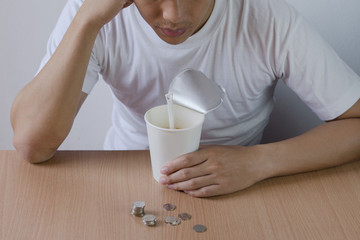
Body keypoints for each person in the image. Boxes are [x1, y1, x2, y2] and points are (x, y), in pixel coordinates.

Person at [11, 0, 360, 197]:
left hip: (235, 187)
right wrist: (88, 20)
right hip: (125, 180)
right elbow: (31, 145)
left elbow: (354, 122)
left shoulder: (265, 16)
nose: (174, 16)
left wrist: (258, 163)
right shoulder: (95, 13)